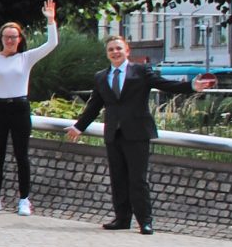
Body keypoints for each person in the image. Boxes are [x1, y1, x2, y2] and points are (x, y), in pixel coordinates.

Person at [66, 36, 212, 234]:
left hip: (137, 132)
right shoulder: (101, 76)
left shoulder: (141, 71)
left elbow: (165, 84)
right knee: (118, 178)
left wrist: (192, 87)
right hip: (113, 134)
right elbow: (94, 105)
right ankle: (122, 219)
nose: (115, 52)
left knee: (138, 179)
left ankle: (145, 221)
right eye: (111, 50)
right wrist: (79, 127)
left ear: (127, 51)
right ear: (107, 54)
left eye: (118, 48)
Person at [0, 0, 59, 216]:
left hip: (20, 108)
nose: (10, 40)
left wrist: (50, 20)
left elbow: (51, 44)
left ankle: (24, 199)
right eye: (7, 37)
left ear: (20, 39)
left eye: (14, 37)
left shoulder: (26, 58)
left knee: (21, 155)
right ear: (1, 39)